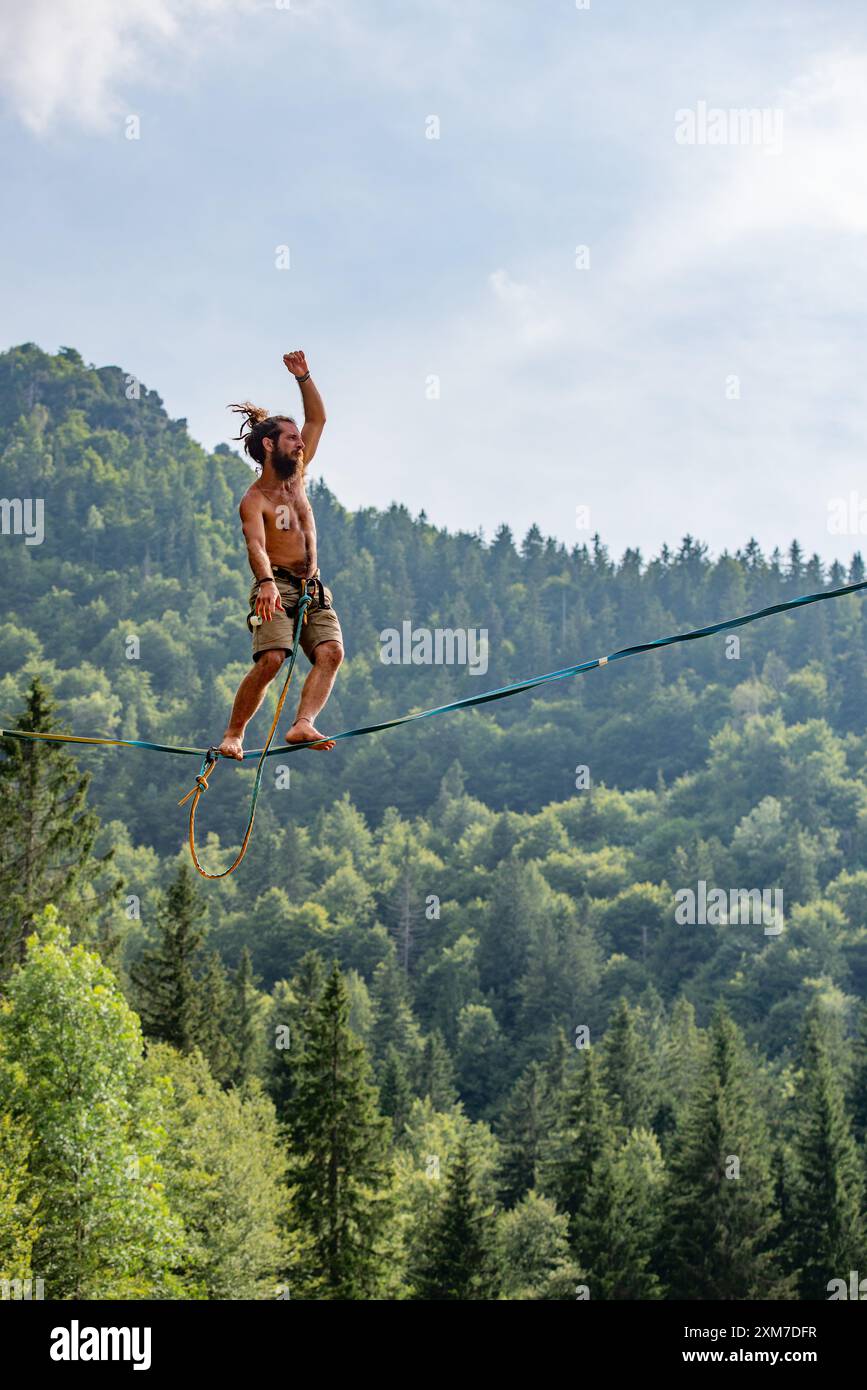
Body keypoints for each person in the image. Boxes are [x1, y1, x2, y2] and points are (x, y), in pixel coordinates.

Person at [218, 350, 343, 760]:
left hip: (313, 587)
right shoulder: (254, 500)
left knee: (331, 653)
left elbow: (318, 420)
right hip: (276, 587)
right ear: (270, 445)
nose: (300, 442)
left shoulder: (298, 478)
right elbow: (255, 545)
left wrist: (304, 378)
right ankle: (234, 734)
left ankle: (302, 723)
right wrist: (267, 583)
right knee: (272, 658)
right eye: (292, 437)